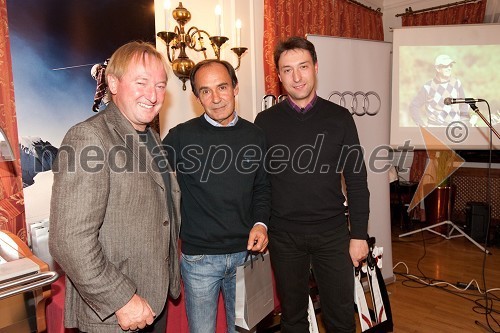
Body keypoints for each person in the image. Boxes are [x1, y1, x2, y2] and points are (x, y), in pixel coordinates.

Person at [49, 41, 181, 333]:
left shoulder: (152, 138)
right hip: (115, 313)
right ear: (113, 83)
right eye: (142, 82)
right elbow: (68, 240)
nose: (153, 95)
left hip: (153, 300)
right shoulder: (88, 137)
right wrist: (122, 299)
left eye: (160, 86)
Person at [254, 36, 370, 333]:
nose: (297, 76)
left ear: (315, 67)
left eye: (303, 66)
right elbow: (260, 182)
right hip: (284, 238)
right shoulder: (264, 122)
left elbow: (357, 180)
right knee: (293, 319)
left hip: (331, 234)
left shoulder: (340, 118)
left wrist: (358, 235)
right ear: (279, 76)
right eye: (287, 69)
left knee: (341, 317)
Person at [162, 59, 270, 333]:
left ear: (235, 88)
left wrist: (261, 223)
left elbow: (262, 188)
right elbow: (148, 180)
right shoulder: (181, 137)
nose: (216, 98)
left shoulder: (255, 136)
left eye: (222, 87)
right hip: (199, 259)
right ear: (197, 97)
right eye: (206, 91)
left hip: (247, 256)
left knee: (245, 330)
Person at [409, 54, 469, 126]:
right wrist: (421, 125)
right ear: (437, 68)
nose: (449, 68)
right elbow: (414, 106)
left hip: (455, 130)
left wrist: (463, 120)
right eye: (446, 66)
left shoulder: (457, 83)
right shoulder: (428, 86)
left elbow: (464, 103)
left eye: (450, 65)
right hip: (435, 129)